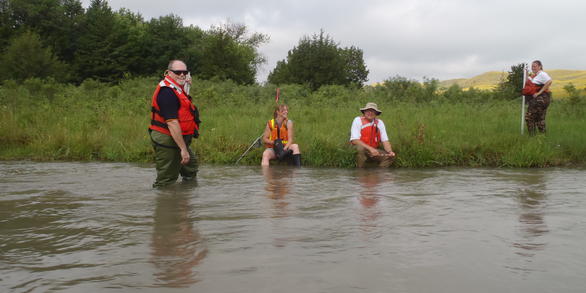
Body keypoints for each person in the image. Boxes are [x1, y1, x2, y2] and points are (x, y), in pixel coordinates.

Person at [149, 60, 201, 187]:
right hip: (167, 139)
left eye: (185, 72)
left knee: (191, 168)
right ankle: (165, 202)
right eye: (178, 72)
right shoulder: (166, 93)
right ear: (168, 73)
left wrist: (185, 86)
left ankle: (185, 199)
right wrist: (183, 149)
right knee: (166, 180)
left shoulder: (178, 88)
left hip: (178, 139)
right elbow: (172, 123)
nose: (182, 75)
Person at [350, 102, 396, 168]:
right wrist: (371, 149)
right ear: (364, 112)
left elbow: (385, 141)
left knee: (390, 157)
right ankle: (360, 172)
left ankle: (377, 173)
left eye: (373, 111)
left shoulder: (380, 123)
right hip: (361, 148)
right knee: (360, 149)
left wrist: (390, 152)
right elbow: (354, 140)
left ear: (376, 113)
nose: (370, 113)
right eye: (368, 111)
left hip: (373, 150)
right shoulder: (357, 120)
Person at [524, 60, 552, 135]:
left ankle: (532, 137)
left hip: (541, 99)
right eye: (532, 66)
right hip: (539, 99)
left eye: (535, 66)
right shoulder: (534, 75)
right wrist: (526, 73)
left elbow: (549, 81)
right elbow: (527, 81)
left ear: (540, 66)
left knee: (529, 117)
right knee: (540, 119)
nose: (533, 68)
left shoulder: (542, 74)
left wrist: (539, 92)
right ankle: (542, 137)